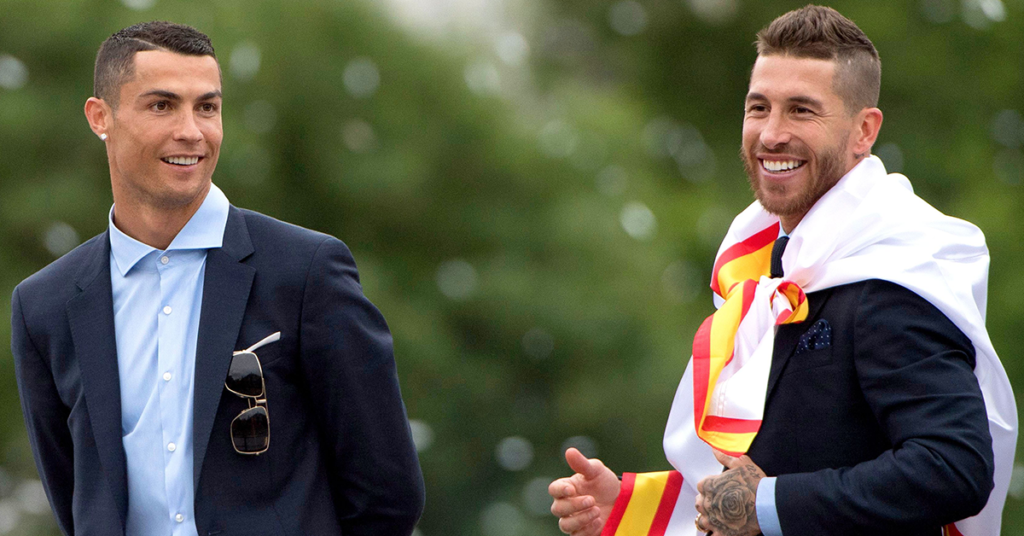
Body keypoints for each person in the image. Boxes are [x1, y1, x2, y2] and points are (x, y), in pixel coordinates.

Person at [548, 6, 1016, 536]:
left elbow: (953, 469)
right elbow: (765, 479)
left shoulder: (890, 277)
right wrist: (629, 507)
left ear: (864, 131)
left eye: (801, 111)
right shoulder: (768, 268)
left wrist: (769, 503)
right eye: (759, 107)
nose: (771, 134)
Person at [11, 21, 424, 536]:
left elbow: (388, 494)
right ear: (101, 117)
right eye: (162, 105)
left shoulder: (307, 271)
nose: (192, 130)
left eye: (206, 107)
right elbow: (76, 502)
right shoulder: (44, 305)